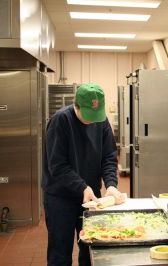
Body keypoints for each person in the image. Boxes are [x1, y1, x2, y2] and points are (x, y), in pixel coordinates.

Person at [42, 83, 125, 266]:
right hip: (60, 197)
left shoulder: (101, 121)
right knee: (60, 253)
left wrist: (111, 184)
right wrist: (82, 186)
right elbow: (57, 165)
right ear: (76, 105)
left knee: (91, 249)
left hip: (91, 197)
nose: (92, 121)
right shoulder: (60, 121)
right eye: (88, 116)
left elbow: (109, 157)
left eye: (95, 117)